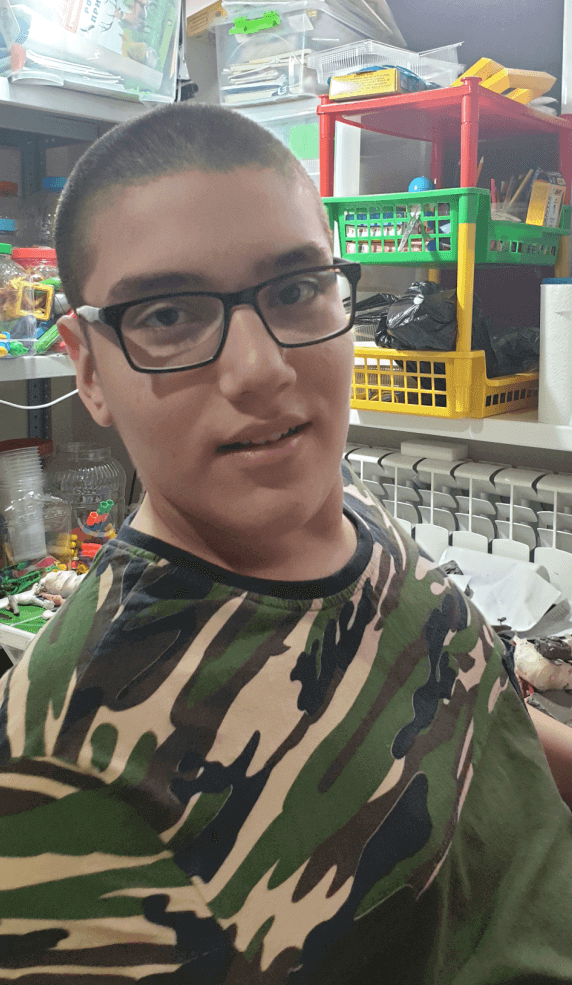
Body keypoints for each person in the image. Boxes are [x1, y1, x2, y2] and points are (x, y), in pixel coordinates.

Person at [1, 101, 572, 984]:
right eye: (169, 314)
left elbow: (482, 711)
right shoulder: (69, 769)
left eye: (297, 290)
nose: (263, 368)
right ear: (87, 365)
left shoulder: (354, 514)